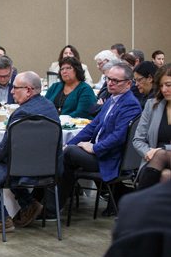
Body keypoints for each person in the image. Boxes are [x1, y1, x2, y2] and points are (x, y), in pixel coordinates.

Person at [0, 71, 60, 233]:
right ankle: (29, 204)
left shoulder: (20, 114)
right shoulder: (50, 107)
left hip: (22, 170)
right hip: (49, 169)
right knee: (13, 164)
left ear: (29, 90)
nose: (11, 91)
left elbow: (5, 148)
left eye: (15, 88)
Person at [59, 62, 142, 214]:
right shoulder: (112, 99)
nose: (110, 83)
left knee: (68, 154)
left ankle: (54, 206)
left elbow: (119, 137)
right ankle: (55, 203)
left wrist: (94, 148)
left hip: (109, 158)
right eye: (108, 79)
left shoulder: (130, 104)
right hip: (100, 153)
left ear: (128, 83)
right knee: (65, 151)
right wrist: (69, 143)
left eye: (115, 81)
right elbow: (91, 127)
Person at [133, 64, 171, 189]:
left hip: (159, 155)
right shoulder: (152, 105)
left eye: (168, 85)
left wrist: (161, 150)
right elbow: (138, 139)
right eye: (161, 85)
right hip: (153, 161)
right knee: (166, 175)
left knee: (161, 155)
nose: (164, 89)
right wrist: (148, 152)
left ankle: (137, 204)